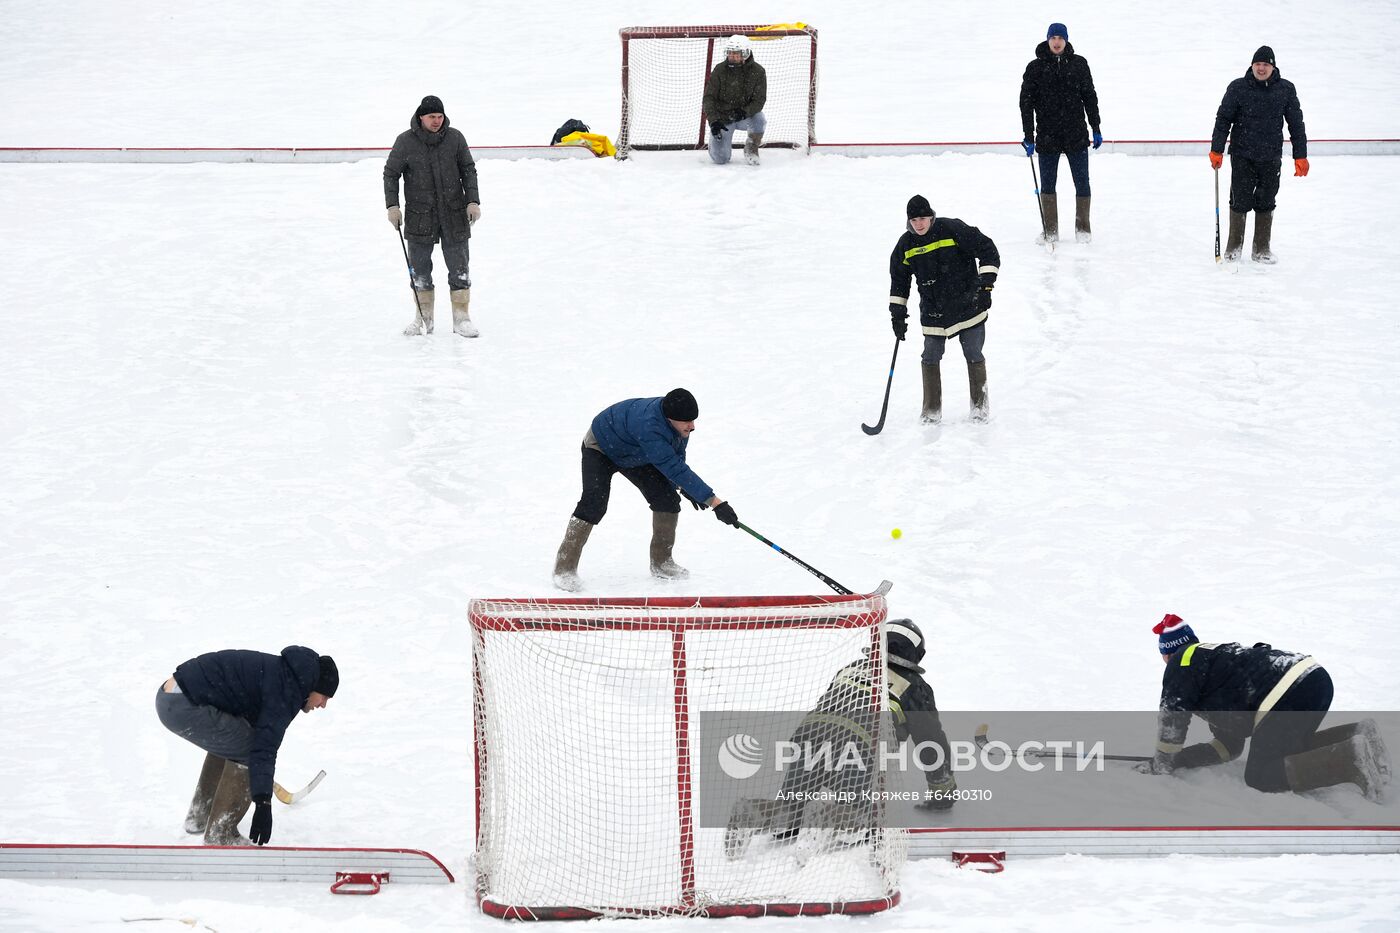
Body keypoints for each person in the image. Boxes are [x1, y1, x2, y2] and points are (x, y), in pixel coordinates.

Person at [724, 619, 957, 858]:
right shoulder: (915, 686)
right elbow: (932, 743)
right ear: (919, 655)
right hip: (860, 747)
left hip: (808, 738)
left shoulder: (852, 667)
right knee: (863, 819)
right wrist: (943, 791)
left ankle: (751, 812)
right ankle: (829, 817)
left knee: (789, 813)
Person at [1137, 614, 1388, 798]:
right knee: (1284, 751)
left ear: (1167, 653)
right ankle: (1357, 735)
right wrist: (1181, 759)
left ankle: (1350, 758)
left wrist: (1163, 761)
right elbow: (1229, 747)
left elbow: (1172, 715)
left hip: (1288, 690)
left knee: (1261, 776)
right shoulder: (1214, 668)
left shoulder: (1182, 661)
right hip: (1313, 679)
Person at [552, 389, 738, 591]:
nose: (692, 426)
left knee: (667, 499)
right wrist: (715, 502)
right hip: (601, 446)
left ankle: (662, 562)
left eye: (693, 420)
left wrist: (683, 487)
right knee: (594, 503)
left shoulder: (680, 427)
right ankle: (564, 569)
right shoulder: (650, 426)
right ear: (669, 418)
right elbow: (672, 465)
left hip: (635, 452)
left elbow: (676, 459)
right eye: (687, 421)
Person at [156, 646, 338, 845]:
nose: (323, 705)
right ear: (314, 687)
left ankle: (199, 817)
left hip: (171, 697)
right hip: (181, 705)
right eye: (324, 697)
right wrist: (263, 802)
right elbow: (262, 749)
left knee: (234, 740)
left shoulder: (284, 674)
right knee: (247, 748)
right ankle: (221, 834)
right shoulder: (286, 690)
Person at [888, 195, 1001, 424]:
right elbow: (899, 281)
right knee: (930, 355)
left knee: (973, 353)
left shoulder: (952, 229)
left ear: (931, 217)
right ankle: (931, 411)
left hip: (968, 306)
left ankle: (979, 407)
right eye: (914, 220)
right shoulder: (905, 245)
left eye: (923, 218)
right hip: (933, 311)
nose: (919, 224)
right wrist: (897, 314)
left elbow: (987, 249)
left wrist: (986, 286)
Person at [384, 95, 482, 337]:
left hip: (454, 214)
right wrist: (392, 206)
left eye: (440, 116)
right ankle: (422, 318)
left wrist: (472, 201)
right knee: (419, 270)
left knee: (459, 268)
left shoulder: (455, 138)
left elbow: (468, 171)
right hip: (420, 216)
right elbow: (390, 174)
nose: (437, 121)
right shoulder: (405, 142)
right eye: (432, 117)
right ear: (421, 117)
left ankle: (462, 319)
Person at [1210, 46, 1308, 263]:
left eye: (1266, 64)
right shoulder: (1238, 88)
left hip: (1271, 156)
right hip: (1243, 154)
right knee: (1240, 200)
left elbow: (1296, 124)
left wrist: (1300, 155)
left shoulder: (1285, 90)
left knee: (1266, 200)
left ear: (1272, 66)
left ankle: (1261, 249)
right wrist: (1217, 149)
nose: (1261, 68)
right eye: (1258, 64)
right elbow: (1223, 119)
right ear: (1252, 65)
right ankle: (1233, 248)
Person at [1019, 23, 1102, 244]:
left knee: (1082, 182)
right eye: (1053, 37)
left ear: (1066, 40)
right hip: (1047, 135)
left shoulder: (1079, 64)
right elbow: (1025, 104)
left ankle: (1083, 229)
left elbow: (1090, 97)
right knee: (1047, 185)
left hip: (1075, 133)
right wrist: (1029, 136)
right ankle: (1051, 230)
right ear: (1047, 39)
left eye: (1060, 38)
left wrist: (1096, 127)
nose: (1057, 42)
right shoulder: (1035, 68)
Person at [702, 35, 768, 166]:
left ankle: (751, 148)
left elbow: (759, 100)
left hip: (745, 116)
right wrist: (714, 121)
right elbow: (709, 98)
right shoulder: (720, 70)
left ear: (746, 53)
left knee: (759, 119)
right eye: (730, 53)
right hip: (723, 118)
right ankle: (715, 144)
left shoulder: (758, 71)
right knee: (720, 159)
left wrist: (744, 112)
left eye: (736, 53)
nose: (732, 56)